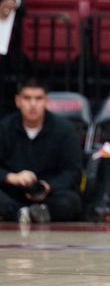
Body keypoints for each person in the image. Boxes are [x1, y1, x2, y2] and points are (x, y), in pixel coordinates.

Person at [0, 78, 83, 223]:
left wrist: (48, 186)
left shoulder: (65, 131)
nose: (33, 104)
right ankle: (21, 213)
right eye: (27, 98)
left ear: (46, 101)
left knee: (71, 201)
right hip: (12, 192)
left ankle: (34, 214)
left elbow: (73, 171)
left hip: (49, 195)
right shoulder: (4, 128)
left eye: (38, 98)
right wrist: (12, 177)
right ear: (17, 101)